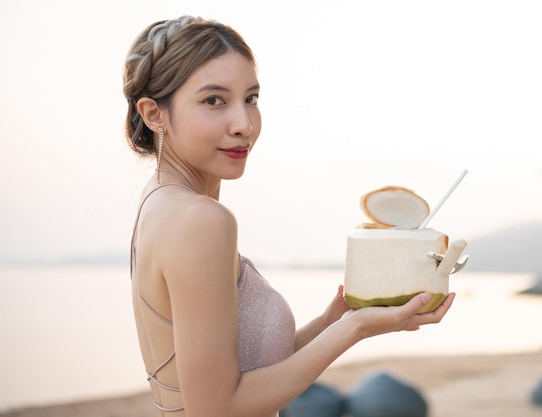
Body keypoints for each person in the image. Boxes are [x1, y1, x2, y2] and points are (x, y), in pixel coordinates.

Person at [123, 15, 456, 417]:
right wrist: (355, 330)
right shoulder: (202, 220)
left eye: (250, 98)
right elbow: (216, 408)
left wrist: (338, 319)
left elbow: (243, 374)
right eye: (214, 100)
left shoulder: (158, 203)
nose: (243, 125)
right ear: (154, 113)